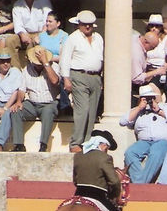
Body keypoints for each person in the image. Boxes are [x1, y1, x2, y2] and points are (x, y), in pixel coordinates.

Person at [60, 10, 104, 153]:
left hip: (96, 76)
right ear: (79, 24)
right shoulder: (73, 38)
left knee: (92, 111)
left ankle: (86, 141)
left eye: (89, 25)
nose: (87, 27)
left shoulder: (99, 38)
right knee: (82, 109)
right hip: (79, 75)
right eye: (84, 24)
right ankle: (75, 142)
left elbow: (101, 58)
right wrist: (66, 78)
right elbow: (65, 59)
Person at [122, 84, 167, 184]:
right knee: (130, 152)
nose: (148, 101)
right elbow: (123, 121)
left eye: (150, 98)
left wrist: (159, 111)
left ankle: (139, 183)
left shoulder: (164, 106)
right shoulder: (137, 110)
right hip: (144, 142)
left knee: (156, 152)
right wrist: (139, 108)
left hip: (164, 141)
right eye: (145, 99)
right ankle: (140, 181)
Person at [10, 46, 60, 152]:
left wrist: (45, 63)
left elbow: (55, 81)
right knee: (16, 110)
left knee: (48, 111)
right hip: (32, 103)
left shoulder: (53, 67)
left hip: (49, 103)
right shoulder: (26, 70)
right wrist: (19, 101)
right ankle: (19, 144)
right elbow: (22, 89)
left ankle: (43, 144)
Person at [6, 0, 53, 69]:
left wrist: (41, 35)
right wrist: (22, 34)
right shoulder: (18, 4)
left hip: (41, 32)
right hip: (25, 33)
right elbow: (18, 24)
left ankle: (30, 71)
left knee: (32, 44)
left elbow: (48, 18)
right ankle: (16, 70)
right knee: (10, 40)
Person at [38, 11, 70, 112]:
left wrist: (49, 59)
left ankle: (64, 105)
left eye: (50, 21)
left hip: (57, 63)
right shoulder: (42, 36)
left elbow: (64, 56)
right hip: (42, 64)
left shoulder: (64, 36)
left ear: (58, 23)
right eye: (46, 21)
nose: (47, 23)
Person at [131, 31, 162, 107]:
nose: (151, 50)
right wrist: (156, 72)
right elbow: (136, 78)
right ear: (146, 42)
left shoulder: (136, 38)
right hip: (130, 87)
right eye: (152, 47)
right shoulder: (137, 54)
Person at [143, 14, 167, 91]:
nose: (154, 28)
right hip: (147, 69)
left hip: (161, 69)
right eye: (151, 26)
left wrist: (161, 70)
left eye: (157, 26)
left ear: (161, 27)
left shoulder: (166, 39)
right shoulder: (145, 39)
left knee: (152, 86)